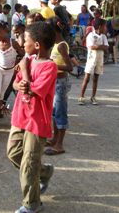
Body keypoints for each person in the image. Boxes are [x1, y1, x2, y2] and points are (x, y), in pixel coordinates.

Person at [7, 21, 57, 213]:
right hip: (20, 116)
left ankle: (32, 204)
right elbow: (18, 84)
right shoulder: (27, 60)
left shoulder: (49, 67)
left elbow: (34, 89)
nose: (22, 43)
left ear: (37, 45)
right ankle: (44, 172)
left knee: (29, 164)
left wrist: (25, 71)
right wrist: (16, 85)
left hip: (37, 121)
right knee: (13, 154)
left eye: (25, 40)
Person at [45, 17, 73, 156]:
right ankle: (55, 139)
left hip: (61, 83)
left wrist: (52, 65)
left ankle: (60, 144)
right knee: (55, 113)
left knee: (60, 113)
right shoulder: (55, 44)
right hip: (55, 82)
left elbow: (69, 67)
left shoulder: (61, 45)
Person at [78, 18, 108, 106]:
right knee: (86, 78)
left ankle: (93, 97)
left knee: (96, 78)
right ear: (100, 26)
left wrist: (98, 46)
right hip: (91, 59)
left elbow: (106, 47)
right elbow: (91, 47)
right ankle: (81, 96)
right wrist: (100, 46)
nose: (105, 28)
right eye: (104, 26)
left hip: (99, 59)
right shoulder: (91, 35)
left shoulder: (103, 36)